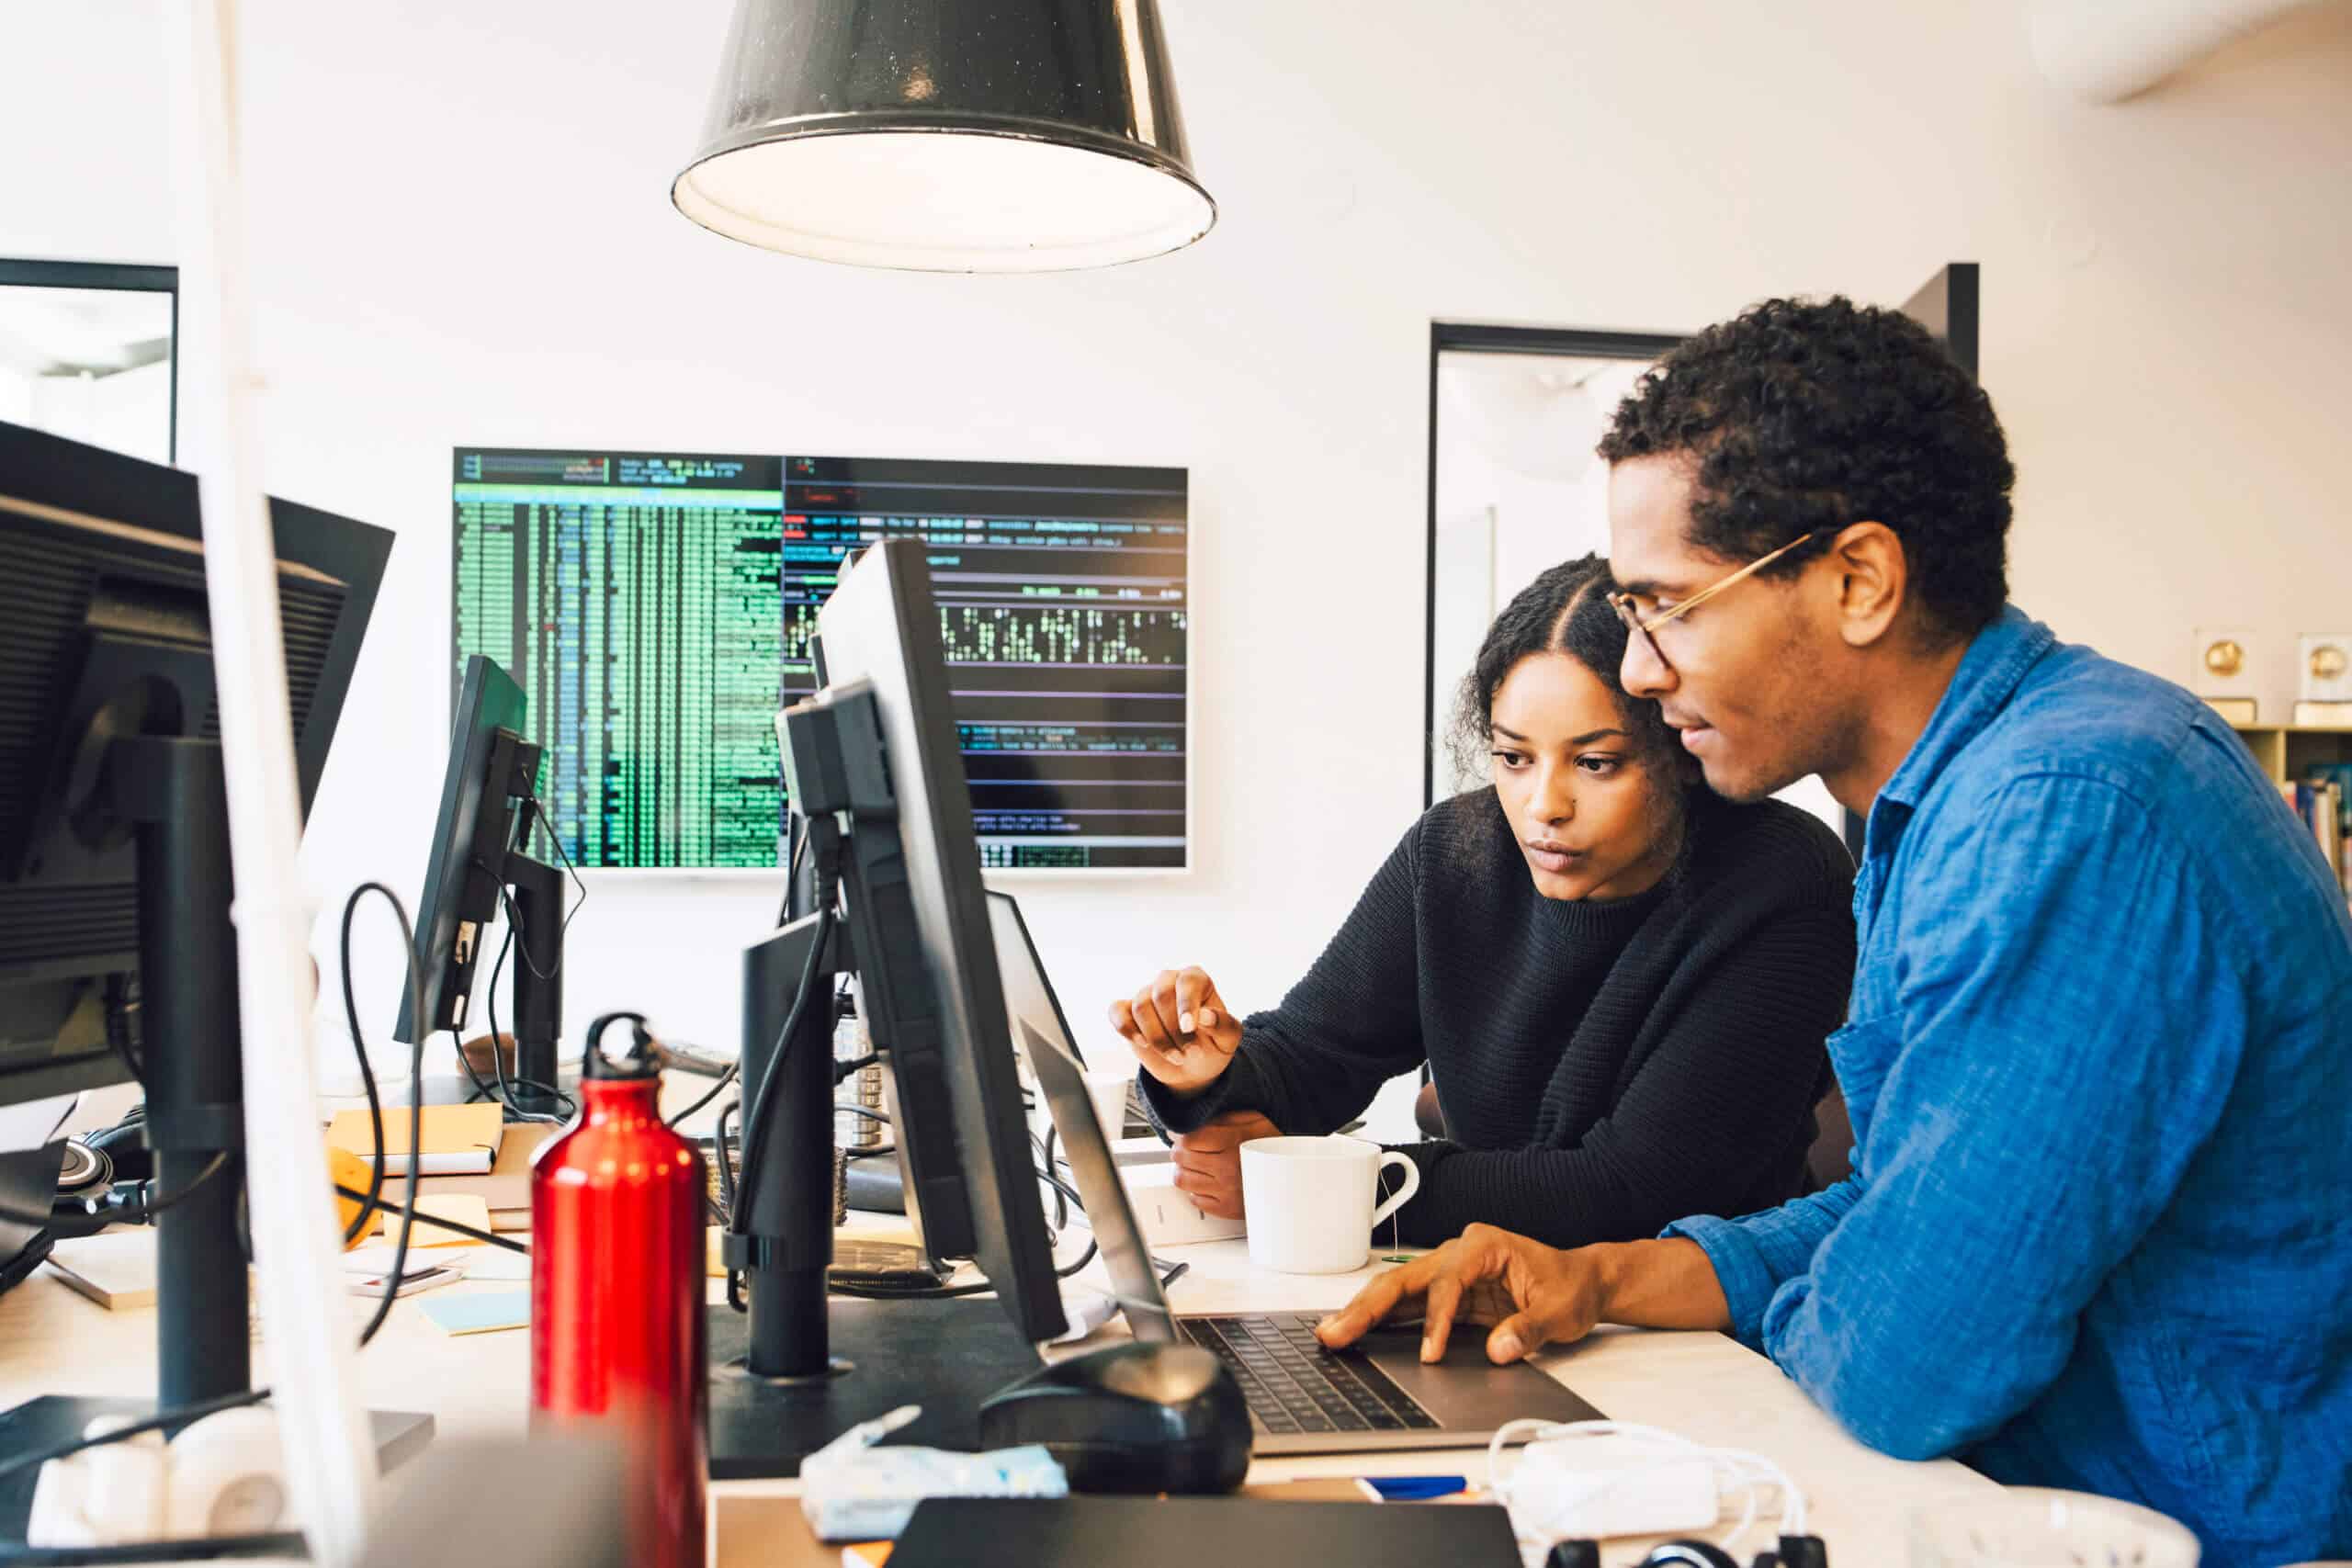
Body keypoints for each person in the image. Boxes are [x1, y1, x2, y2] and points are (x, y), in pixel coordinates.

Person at [1316, 297, 2352, 1568]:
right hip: (2015, 1497)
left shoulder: (2068, 814)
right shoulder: (1941, 806)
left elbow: (1907, 1363)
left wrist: (1846, 1287)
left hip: (2173, 1532)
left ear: (1858, 580)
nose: (1637, 668)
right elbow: (1895, 1206)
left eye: (1666, 606)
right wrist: (1600, 1276)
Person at [1108, 553, 1856, 1249]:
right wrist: (1203, 1076)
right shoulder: (1455, 852)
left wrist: (1326, 1187)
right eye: (1513, 757)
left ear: (1678, 749)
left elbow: (1631, 1190)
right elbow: (1315, 1054)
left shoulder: (1781, 879)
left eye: (1595, 762)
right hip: (1486, 1286)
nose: (1544, 805)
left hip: (1694, 1325)